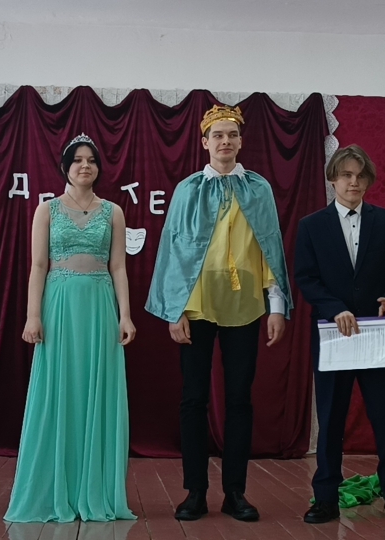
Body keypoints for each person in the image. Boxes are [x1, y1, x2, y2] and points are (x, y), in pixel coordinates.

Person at [146, 105, 292, 522]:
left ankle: (235, 492)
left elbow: (270, 246)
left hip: (244, 307)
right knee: (193, 398)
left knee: (239, 398)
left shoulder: (258, 189)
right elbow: (173, 249)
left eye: (232, 134)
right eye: (218, 135)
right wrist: (174, 310)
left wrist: (276, 306)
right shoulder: (188, 189)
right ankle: (195, 491)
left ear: (241, 142)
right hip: (197, 305)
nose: (225, 141)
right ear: (205, 142)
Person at [4, 133, 136, 523]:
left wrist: (125, 315)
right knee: (58, 390)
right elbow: (38, 266)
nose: (84, 166)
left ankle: (95, 490)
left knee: (97, 390)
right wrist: (33, 315)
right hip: (58, 305)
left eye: (91, 160)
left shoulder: (113, 211)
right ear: (65, 167)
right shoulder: (46, 210)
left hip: (99, 306)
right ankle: (53, 489)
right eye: (77, 160)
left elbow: (118, 267)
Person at [293, 144, 385, 524]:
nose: (354, 182)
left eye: (361, 176)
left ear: (368, 181)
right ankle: (326, 497)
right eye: (347, 175)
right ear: (333, 179)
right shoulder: (311, 226)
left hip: (376, 334)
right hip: (333, 335)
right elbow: (306, 278)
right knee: (331, 419)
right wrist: (335, 308)